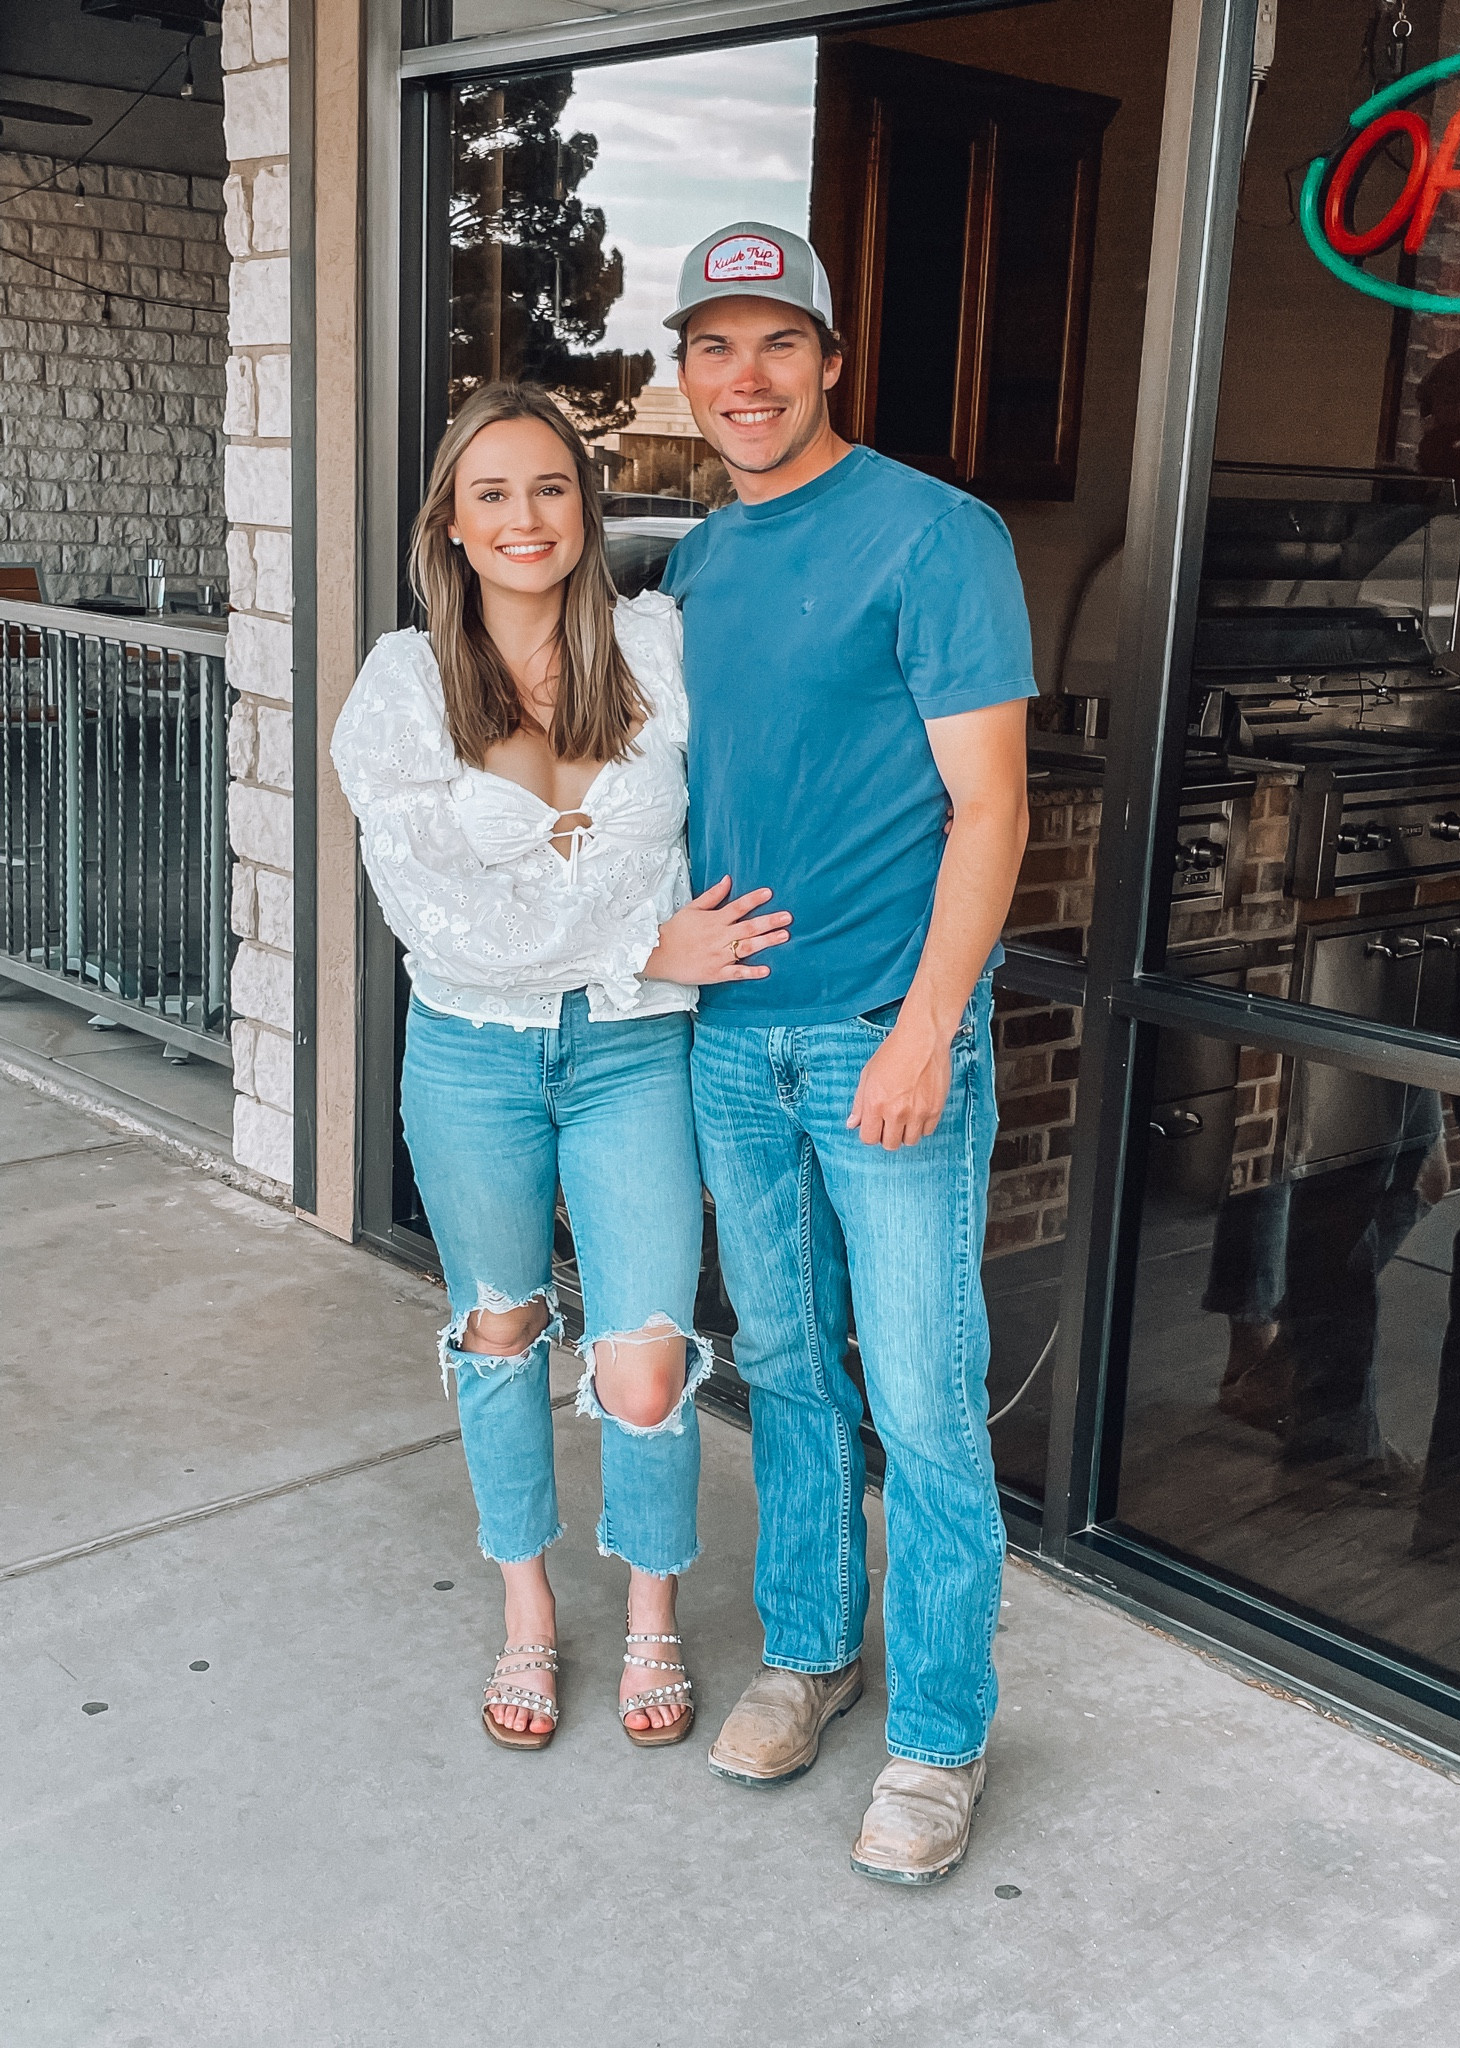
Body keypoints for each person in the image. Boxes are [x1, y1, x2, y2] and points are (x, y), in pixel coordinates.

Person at [331, 381, 790, 1752]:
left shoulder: (656, 650)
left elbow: (764, 768)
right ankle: (529, 1612)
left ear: (587, 512)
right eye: (493, 495)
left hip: (633, 1062)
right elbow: (447, 918)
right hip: (471, 1057)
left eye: (550, 488)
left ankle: (651, 1612)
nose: (525, 517)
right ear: (452, 530)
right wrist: (651, 944)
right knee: (503, 1332)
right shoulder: (403, 686)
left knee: (646, 1361)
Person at [661, 221, 1035, 1883]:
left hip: (885, 1045)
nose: (747, 381)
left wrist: (929, 1032)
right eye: (714, 349)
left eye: (776, 345)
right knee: (792, 1372)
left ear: (829, 360)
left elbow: (993, 807)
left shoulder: (936, 535)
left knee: (931, 1406)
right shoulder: (696, 563)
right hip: (729, 1046)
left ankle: (942, 1736)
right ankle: (814, 1652)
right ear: (686, 371)